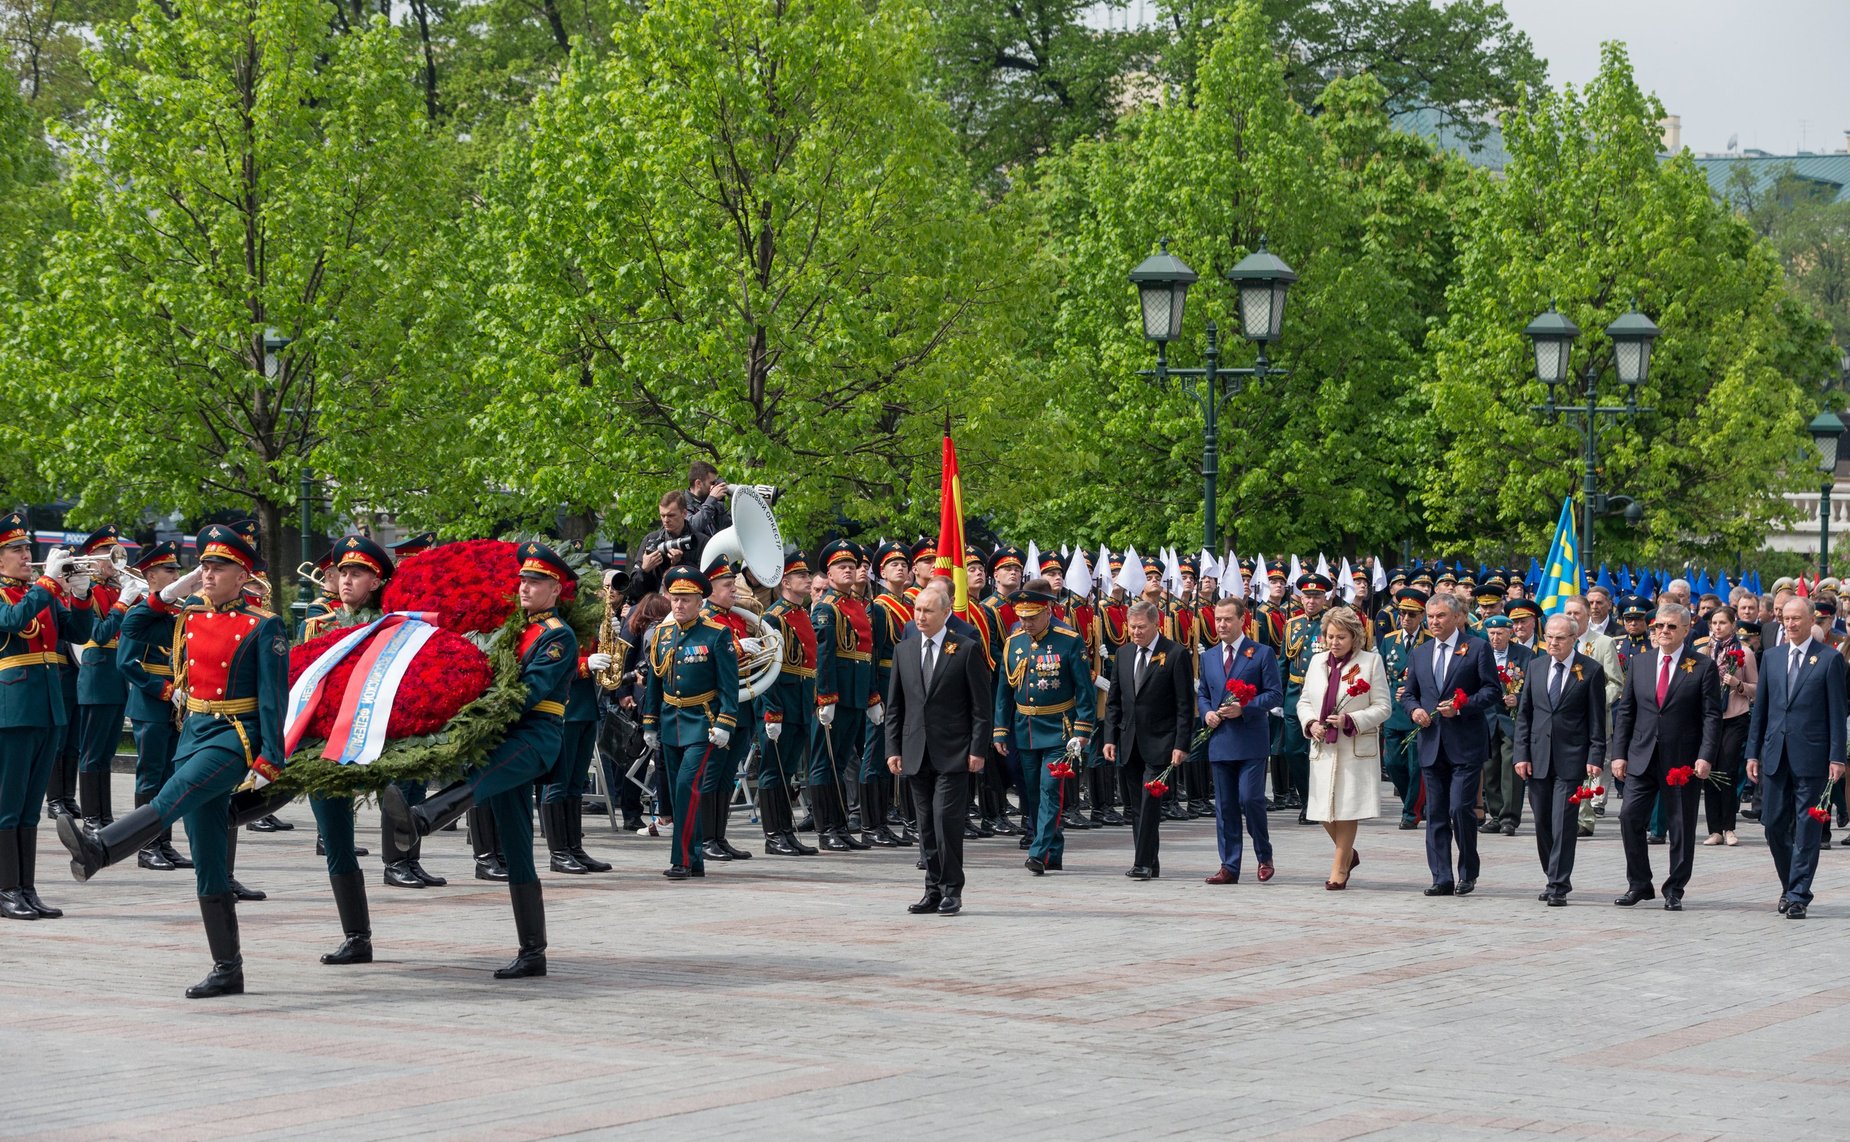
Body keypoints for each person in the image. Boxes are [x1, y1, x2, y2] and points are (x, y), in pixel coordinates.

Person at [59, 523, 281, 996]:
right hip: (194, 732)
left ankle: (102, 849)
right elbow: (133, 626)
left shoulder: (264, 625)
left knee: (172, 795)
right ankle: (228, 968)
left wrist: (270, 758)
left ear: (242, 576)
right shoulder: (191, 615)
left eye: (217, 567)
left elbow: (273, 699)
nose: (207, 573)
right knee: (207, 860)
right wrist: (168, 592)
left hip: (234, 737)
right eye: (203, 565)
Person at [379, 541, 584, 977]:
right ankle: (533, 952)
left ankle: (422, 819)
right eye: (523, 579)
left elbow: (529, 694)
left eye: (536, 581)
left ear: (556, 589)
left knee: (486, 774)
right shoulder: (516, 628)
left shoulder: (556, 635)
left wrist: (479, 709)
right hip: (505, 734)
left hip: (534, 736)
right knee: (516, 847)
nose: (525, 587)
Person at [1, 515, 96, 921]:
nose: (27, 556)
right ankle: (6, 889)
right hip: (12, 711)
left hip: (48, 707)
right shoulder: (17, 596)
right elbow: (11, 622)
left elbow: (77, 631)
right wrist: (48, 585)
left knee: (28, 809)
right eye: (17, 550)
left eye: (28, 549)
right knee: (7, 805)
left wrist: (80, 595)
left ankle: (26, 888)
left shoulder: (36, 593)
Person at [885, 583, 992, 916]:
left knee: (946, 820)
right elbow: (895, 706)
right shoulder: (905, 649)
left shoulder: (965, 648)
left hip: (954, 751)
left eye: (928, 610)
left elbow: (980, 707)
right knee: (925, 824)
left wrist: (977, 749)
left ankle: (951, 890)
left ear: (946, 613)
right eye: (917, 609)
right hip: (916, 750)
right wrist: (893, 748)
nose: (920, 616)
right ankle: (932, 890)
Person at [1609, 602, 1724, 912]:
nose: (1663, 631)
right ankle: (1639, 883)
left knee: (1681, 826)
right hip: (1642, 755)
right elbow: (1627, 712)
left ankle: (1674, 888)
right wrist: (1618, 754)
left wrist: (1705, 756)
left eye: (1671, 626)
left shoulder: (1702, 666)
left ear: (1686, 630)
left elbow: (1711, 716)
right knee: (1629, 816)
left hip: (1682, 759)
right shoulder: (1641, 663)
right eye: (1659, 625)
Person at [1746, 597, 1847, 920]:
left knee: (1807, 828)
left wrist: (1837, 757)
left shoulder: (1829, 659)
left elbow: (1837, 712)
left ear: (1810, 620)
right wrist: (1752, 752)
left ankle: (1798, 894)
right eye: (1786, 618)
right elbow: (1761, 709)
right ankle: (1791, 884)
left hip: (1813, 756)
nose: (1790, 624)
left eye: (1796, 619)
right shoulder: (1772, 658)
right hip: (1775, 754)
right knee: (1773, 824)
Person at [1400, 592, 1500, 897]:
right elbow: (1408, 694)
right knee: (1437, 812)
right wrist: (1415, 710)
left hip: (1465, 743)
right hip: (1432, 742)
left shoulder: (1477, 648)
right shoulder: (1421, 652)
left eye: (1440, 616)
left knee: (1460, 809)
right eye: (1430, 617)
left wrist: (1462, 705)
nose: (1434, 622)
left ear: (1456, 617)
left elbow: (1491, 690)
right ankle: (1441, 876)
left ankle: (1468, 871)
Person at [994, 580, 1093, 875]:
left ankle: (1038, 852)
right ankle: (1054, 850)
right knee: (1034, 794)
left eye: (1032, 616)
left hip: (1058, 729)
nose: (1026, 623)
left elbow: (1084, 690)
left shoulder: (1069, 639)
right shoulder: (1014, 642)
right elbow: (1004, 688)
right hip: (1025, 727)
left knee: (1051, 790)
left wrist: (1082, 730)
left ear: (1048, 610)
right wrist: (1001, 728)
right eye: (1021, 617)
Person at [1513, 615, 1607, 906]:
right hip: (1538, 757)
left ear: (1574, 639)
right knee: (1542, 821)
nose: (1553, 642)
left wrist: (1595, 756)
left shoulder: (1590, 671)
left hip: (1571, 757)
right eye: (1549, 637)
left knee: (1563, 822)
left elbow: (1597, 719)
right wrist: (1521, 754)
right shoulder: (1536, 666)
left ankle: (1558, 883)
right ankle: (1550, 873)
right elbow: (1525, 715)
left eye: (1560, 638)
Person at [1296, 605, 1391, 890]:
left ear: (1355, 638)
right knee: (1323, 810)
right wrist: (1311, 722)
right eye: (1330, 636)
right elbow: (1303, 701)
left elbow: (1383, 707)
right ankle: (1348, 854)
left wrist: (1352, 719)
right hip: (1323, 746)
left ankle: (1339, 868)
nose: (1334, 643)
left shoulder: (1370, 662)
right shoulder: (1316, 662)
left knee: (1347, 808)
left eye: (1341, 637)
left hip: (1353, 747)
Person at [1102, 599, 1195, 881]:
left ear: (1157, 624)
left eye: (1141, 627)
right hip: (1130, 741)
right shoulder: (1124, 653)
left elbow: (1184, 705)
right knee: (1136, 806)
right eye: (1132, 627)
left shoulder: (1176, 654)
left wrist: (1181, 745)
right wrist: (1110, 738)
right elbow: (1114, 701)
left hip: (1161, 743)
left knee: (1149, 802)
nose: (1136, 632)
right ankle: (1150, 861)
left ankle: (1141, 862)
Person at [1193, 597, 1283, 884]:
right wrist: (1206, 713)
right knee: (1226, 805)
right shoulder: (1208, 657)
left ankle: (1263, 854)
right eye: (1217, 619)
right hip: (1221, 739)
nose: (1221, 624)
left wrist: (1245, 707)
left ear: (1242, 620)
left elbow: (1274, 695)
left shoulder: (1260, 653)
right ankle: (1229, 865)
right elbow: (1203, 693)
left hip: (1251, 739)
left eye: (1227, 619)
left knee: (1250, 798)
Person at [115, 541, 192, 872]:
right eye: (169, 570)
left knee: (168, 778)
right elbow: (126, 662)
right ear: (151, 576)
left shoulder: (176, 613)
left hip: (176, 704)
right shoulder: (138, 614)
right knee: (150, 778)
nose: (176, 575)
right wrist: (163, 690)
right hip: (151, 702)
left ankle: (164, 841)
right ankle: (147, 847)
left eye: (176, 569)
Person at [810, 540, 877, 852]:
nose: (849, 569)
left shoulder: (856, 606)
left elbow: (867, 654)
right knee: (826, 763)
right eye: (841, 566)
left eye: (852, 564)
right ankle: (827, 829)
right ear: (829, 575)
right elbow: (823, 656)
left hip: (855, 695)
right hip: (836, 697)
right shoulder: (826, 607)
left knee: (839, 764)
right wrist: (826, 697)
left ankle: (840, 826)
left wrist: (872, 697)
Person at [72, 525, 130, 832]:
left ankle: (104, 816)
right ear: (92, 560)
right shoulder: (88, 592)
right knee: (93, 752)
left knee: (106, 753)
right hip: (97, 677)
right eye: (107, 556)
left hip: (116, 677)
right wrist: (123, 604)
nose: (113, 562)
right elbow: (98, 633)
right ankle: (92, 818)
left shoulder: (114, 590)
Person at [1700, 605, 1755, 847]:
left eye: (1723, 622)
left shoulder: (1745, 652)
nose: (1718, 627)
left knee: (1728, 769)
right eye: (1714, 623)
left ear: (1733, 624)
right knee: (1709, 771)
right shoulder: (1703, 652)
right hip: (1708, 718)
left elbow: (1758, 687)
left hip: (1735, 716)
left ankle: (1729, 827)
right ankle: (1715, 830)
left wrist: (1738, 684)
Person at [1378, 588, 1430, 829]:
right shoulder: (1390, 640)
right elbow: (1380, 675)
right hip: (1393, 711)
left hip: (1418, 711)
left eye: (1411, 614)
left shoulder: (1429, 640)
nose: (1406, 619)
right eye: (1402, 613)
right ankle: (1418, 801)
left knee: (1415, 764)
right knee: (1392, 763)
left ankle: (1411, 813)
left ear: (1421, 616)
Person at [1478, 615, 1534, 836]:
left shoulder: (1525, 655)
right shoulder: (1481, 652)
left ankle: (1510, 818)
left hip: (1511, 719)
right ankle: (1495, 814)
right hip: (1487, 717)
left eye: (1500, 633)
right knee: (1490, 768)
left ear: (1510, 633)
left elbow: (1532, 685)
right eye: (1491, 633)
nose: (1495, 637)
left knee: (1510, 767)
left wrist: (1518, 698)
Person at [623, 489, 726, 603]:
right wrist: (644, 570)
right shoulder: (651, 540)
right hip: (654, 610)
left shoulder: (701, 542)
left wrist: (680, 564)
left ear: (684, 513)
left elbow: (708, 585)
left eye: (671, 515)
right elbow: (632, 589)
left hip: (689, 608)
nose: (666, 520)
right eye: (662, 515)